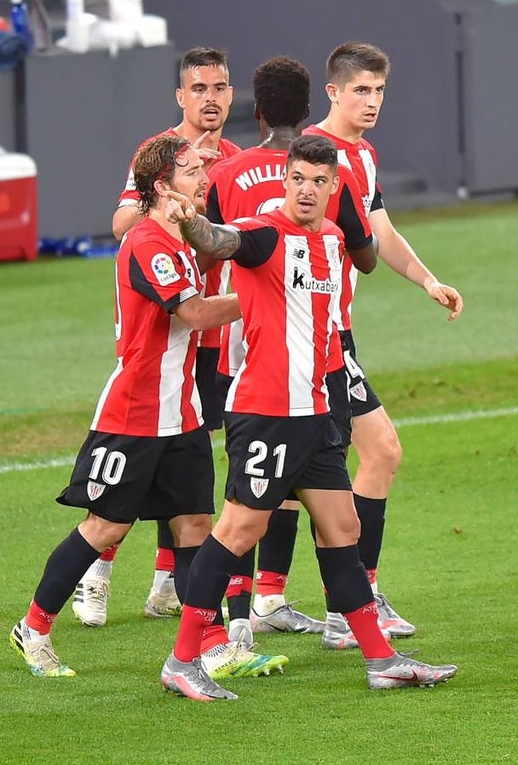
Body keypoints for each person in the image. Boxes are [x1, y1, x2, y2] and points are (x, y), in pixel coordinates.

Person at [158, 135, 458, 701]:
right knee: (239, 529)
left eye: (319, 181)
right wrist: (193, 223)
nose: (306, 189)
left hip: (319, 412)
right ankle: (182, 661)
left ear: (334, 187)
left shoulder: (337, 238)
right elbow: (223, 240)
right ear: (286, 180)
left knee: (344, 529)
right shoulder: (265, 232)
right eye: (298, 178)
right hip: (267, 413)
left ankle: (381, 660)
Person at [9, 134, 259, 678]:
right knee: (105, 529)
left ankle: (211, 644)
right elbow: (193, 315)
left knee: (195, 524)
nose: (204, 177)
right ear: (161, 186)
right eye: (192, 170)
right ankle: (33, 629)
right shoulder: (147, 243)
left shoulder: (181, 241)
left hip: (182, 413)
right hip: (134, 414)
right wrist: (264, 295)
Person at [203, 55, 379, 649]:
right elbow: (366, 251)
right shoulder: (333, 176)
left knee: (284, 505)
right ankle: (228, 633)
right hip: (285, 372)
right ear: (311, 108)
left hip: (248, 357)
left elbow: (211, 253)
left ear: (252, 107)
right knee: (246, 515)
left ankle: (256, 619)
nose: (306, 187)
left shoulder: (227, 173)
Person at [73, 47, 242, 628]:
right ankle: (95, 576)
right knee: (140, 460)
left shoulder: (238, 160)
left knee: (186, 467)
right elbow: (124, 224)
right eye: (199, 88)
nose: (211, 98)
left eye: (219, 87)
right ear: (181, 97)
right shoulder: (163, 155)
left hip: (213, 334)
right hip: (171, 320)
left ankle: (168, 586)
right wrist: (179, 213)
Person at [304, 41, 464, 649]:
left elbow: (380, 230)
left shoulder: (364, 157)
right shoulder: (313, 156)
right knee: (375, 454)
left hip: (335, 332)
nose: (372, 103)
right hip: (309, 337)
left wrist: (427, 279)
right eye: (361, 91)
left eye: (379, 92)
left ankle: (337, 603)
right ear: (334, 92)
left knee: (320, 471)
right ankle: (347, 604)